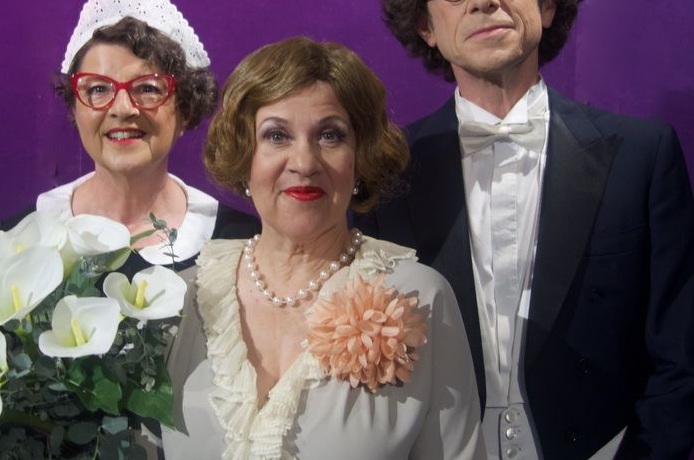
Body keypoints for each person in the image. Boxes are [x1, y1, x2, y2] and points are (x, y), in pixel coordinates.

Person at [355, 0, 694, 460]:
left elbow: (682, 359)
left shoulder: (644, 159)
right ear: (426, 24)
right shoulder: (386, 173)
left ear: (548, 1)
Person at [160, 37, 485, 459]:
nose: (305, 162)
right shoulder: (182, 300)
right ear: (244, 156)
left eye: (330, 135)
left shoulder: (419, 298)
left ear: (360, 157)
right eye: (277, 135)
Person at [0, 0, 259, 276]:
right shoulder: (22, 241)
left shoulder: (240, 244)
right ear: (75, 108)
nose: (122, 108)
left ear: (185, 109)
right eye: (98, 88)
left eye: (148, 88)